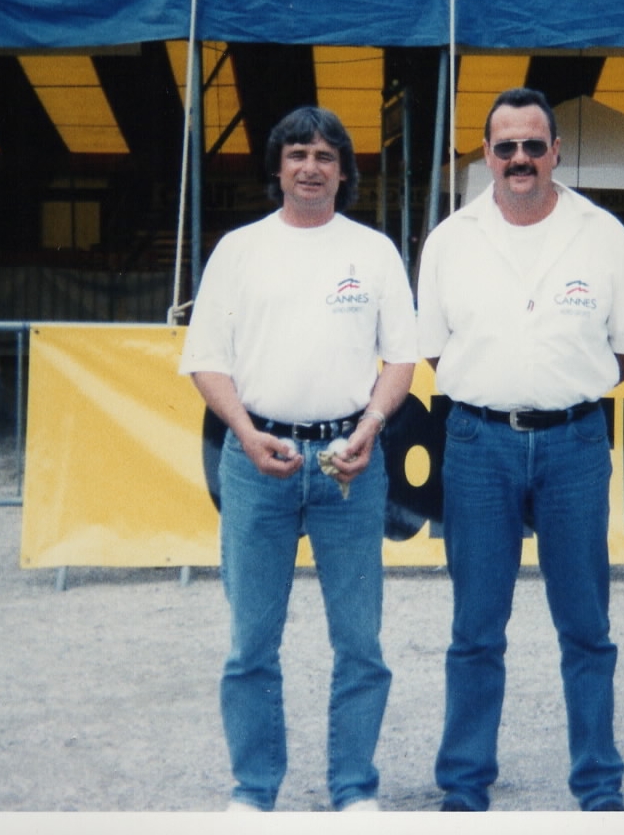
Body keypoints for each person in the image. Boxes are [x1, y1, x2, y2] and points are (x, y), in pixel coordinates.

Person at [415, 86, 624, 812]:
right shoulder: (451, 239)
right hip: (477, 444)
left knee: (586, 626)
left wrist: (559, 391)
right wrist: (501, 392)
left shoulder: (603, 235)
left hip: (574, 444)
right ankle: (464, 785)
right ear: (487, 155)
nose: (520, 158)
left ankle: (599, 785)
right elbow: (435, 350)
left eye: (532, 145)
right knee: (475, 628)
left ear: (556, 151)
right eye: (505, 147)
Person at [179, 106, 417, 813]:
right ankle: (254, 793)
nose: (310, 167)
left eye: (324, 156)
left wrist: (370, 427)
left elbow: (402, 359)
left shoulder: (373, 251)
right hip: (258, 460)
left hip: (350, 465)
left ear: (344, 173)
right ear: (278, 168)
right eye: (297, 154)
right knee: (251, 642)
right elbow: (206, 360)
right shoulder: (238, 251)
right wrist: (246, 433)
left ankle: (354, 791)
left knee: (360, 642)